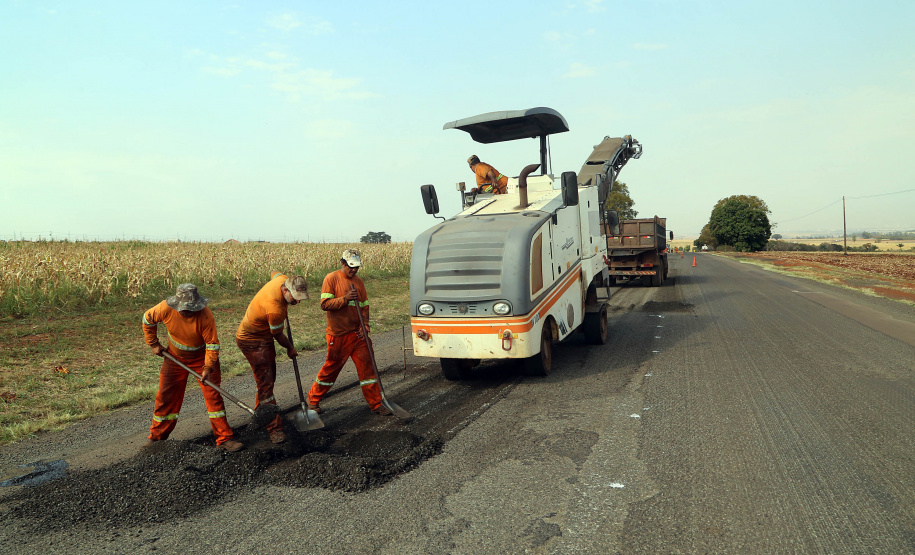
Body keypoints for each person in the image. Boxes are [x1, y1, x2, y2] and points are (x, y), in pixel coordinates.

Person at [142, 283, 243, 452]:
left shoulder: (205, 315)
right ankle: (156, 438)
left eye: (190, 309)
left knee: (213, 397)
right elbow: (147, 319)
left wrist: (208, 368)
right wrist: (153, 343)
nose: (186, 312)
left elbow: (212, 344)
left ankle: (224, 438)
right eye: (183, 309)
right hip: (174, 359)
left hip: (202, 360)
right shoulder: (165, 308)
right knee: (165, 396)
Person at [307, 249, 392, 416]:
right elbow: (325, 304)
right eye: (351, 266)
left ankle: (376, 403)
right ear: (343, 263)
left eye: (356, 267)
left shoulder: (359, 282)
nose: (354, 270)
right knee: (331, 369)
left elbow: (364, 305)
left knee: (368, 368)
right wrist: (345, 298)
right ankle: (313, 401)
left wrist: (365, 324)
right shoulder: (331, 278)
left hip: (358, 334)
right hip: (339, 335)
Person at [236, 272, 310, 443]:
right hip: (252, 341)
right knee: (266, 384)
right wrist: (290, 348)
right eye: (295, 298)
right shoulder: (275, 309)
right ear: (285, 290)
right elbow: (277, 335)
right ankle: (274, 428)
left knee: (267, 380)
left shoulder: (281, 279)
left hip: (264, 336)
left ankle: (260, 415)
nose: (298, 302)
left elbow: (274, 273)